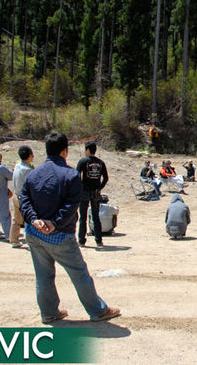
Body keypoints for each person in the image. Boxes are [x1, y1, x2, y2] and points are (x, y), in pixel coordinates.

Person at [20, 132, 120, 324]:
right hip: (59, 235)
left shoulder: (33, 174)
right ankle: (98, 310)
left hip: (34, 233)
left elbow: (24, 200)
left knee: (43, 276)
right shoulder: (71, 175)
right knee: (79, 273)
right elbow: (71, 205)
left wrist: (34, 220)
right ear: (65, 151)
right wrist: (54, 223)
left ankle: (49, 313)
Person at [76, 141, 109, 248]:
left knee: (83, 217)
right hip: (95, 193)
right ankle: (98, 240)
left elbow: (76, 175)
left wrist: (79, 187)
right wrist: (99, 188)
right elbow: (106, 178)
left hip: (84, 192)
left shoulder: (82, 161)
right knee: (95, 217)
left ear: (88, 150)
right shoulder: (100, 162)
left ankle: (81, 241)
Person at [10, 145, 35, 248]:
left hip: (16, 195)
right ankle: (30, 242)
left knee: (16, 219)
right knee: (28, 220)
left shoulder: (17, 166)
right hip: (24, 198)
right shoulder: (28, 170)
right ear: (29, 155)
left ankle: (14, 240)